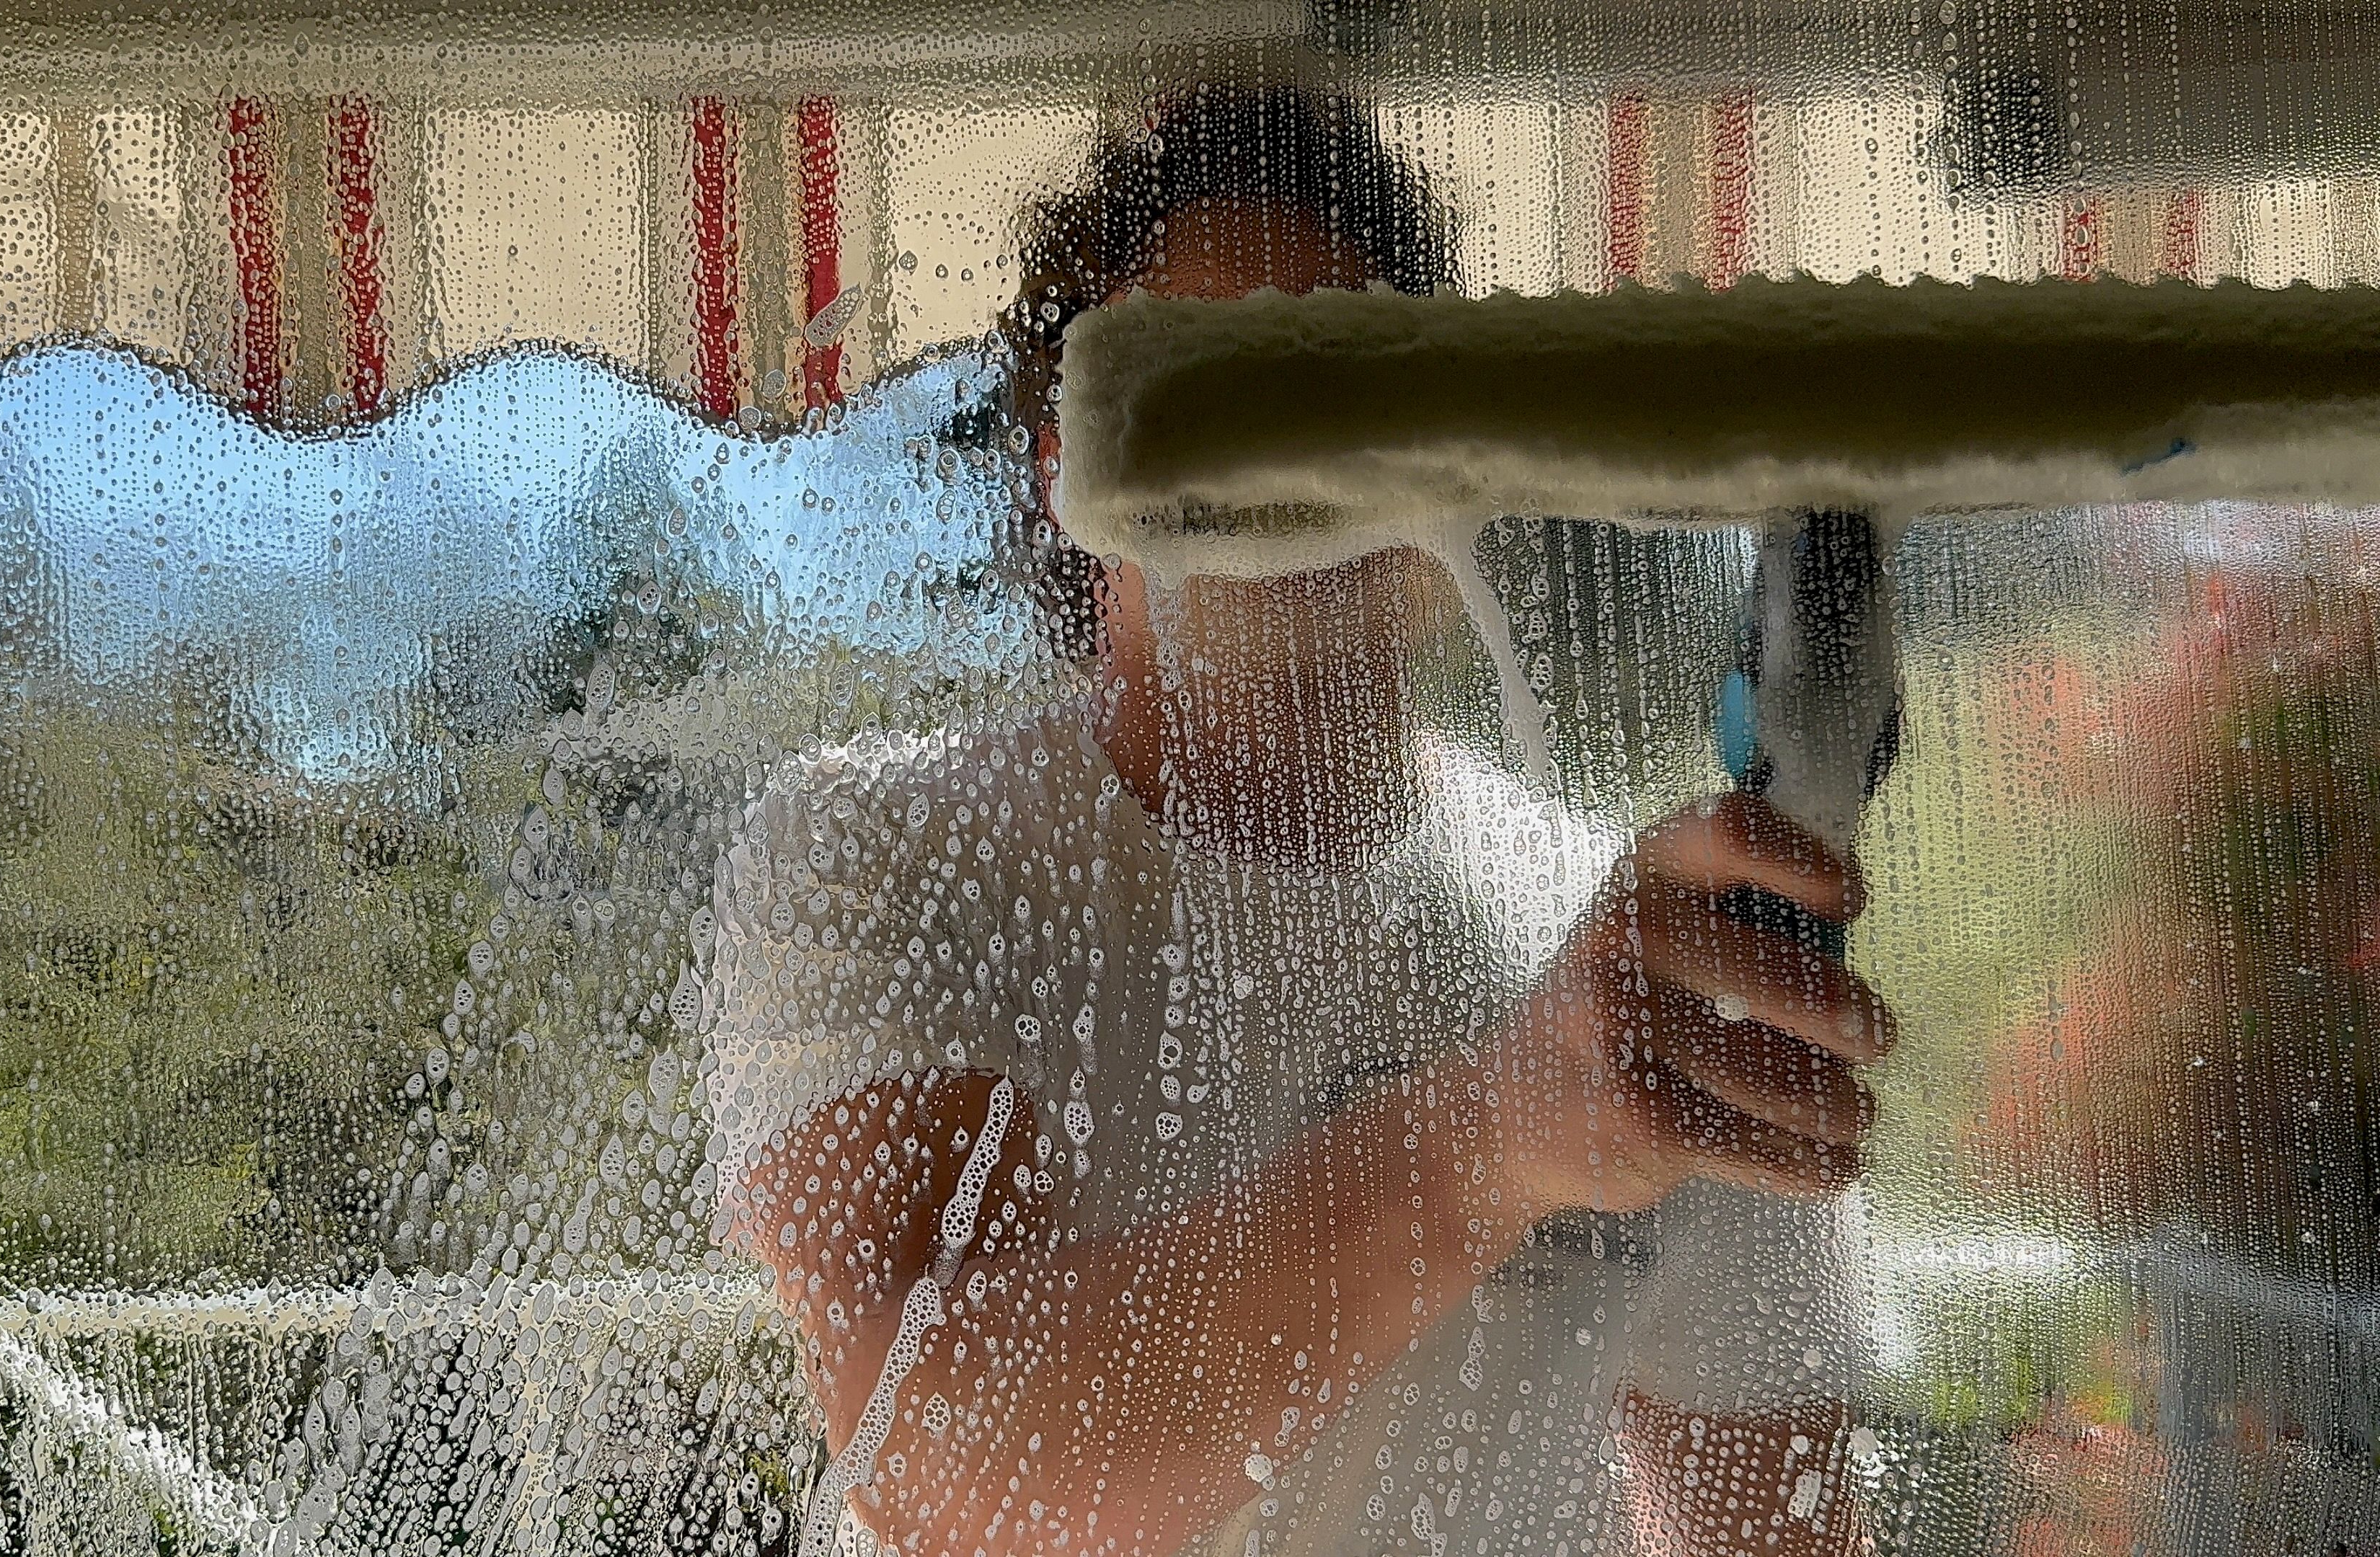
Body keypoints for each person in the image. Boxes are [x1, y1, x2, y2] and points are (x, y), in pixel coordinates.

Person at [704, 88, 1890, 1557]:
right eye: (1211, 392)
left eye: (1345, 391)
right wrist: (1490, 1139)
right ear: (1063, 468)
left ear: (1445, 458)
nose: (1285, 461)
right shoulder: (878, 854)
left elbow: (1777, 1524)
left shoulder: (1626, 946)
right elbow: (949, 1468)